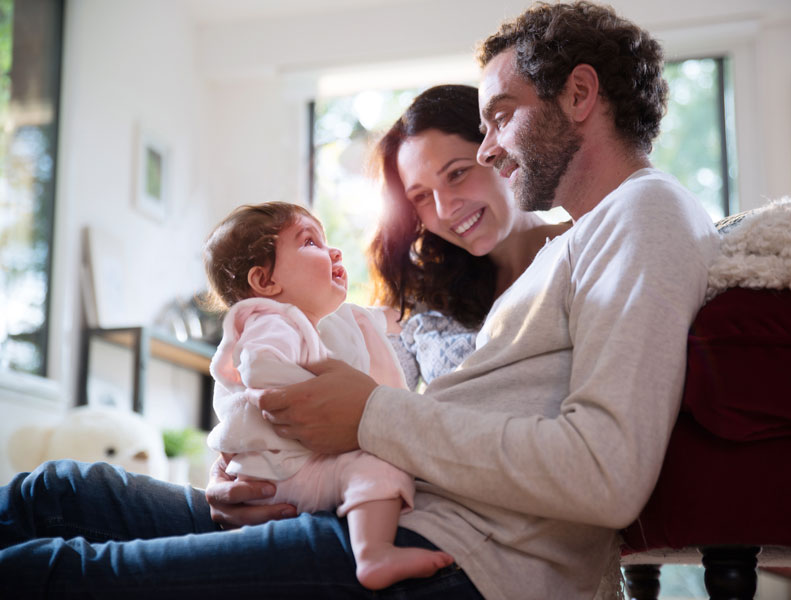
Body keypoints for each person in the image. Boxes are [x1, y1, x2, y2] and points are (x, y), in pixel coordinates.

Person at [0, 4, 719, 599]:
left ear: (581, 95)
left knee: (61, 574)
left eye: (500, 117)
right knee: (65, 490)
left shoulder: (646, 211)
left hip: (458, 549)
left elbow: (604, 473)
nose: (494, 147)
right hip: (397, 510)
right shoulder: (577, 245)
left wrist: (372, 415)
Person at [202, 201, 452, 589]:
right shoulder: (271, 322)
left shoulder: (322, 322)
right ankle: (374, 553)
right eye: (310, 243)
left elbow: (389, 317)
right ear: (265, 283)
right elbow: (260, 368)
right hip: (286, 471)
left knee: (373, 461)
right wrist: (312, 401)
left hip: (286, 472)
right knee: (375, 464)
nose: (333, 251)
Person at [368, 83, 570, 388]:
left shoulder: (583, 249)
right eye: (421, 196)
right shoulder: (430, 293)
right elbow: (376, 401)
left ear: (500, 153)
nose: (446, 209)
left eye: (457, 174)